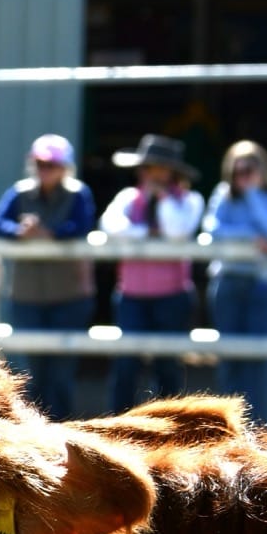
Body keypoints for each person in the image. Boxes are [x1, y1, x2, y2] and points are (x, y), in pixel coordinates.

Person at [0, 133, 96, 418]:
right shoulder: (20, 192)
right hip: (27, 295)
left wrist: (51, 234)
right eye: (40, 163)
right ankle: (32, 431)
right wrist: (19, 231)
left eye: (51, 164)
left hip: (67, 295)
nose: (44, 169)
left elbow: (82, 224)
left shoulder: (78, 194)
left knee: (60, 375)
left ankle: (61, 430)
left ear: (64, 167)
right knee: (29, 374)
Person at [99, 133, 206, 412]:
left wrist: (162, 198)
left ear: (172, 172)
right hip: (131, 295)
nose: (153, 173)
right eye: (148, 167)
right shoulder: (127, 198)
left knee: (168, 368)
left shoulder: (189, 200)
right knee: (125, 368)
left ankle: (168, 428)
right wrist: (146, 232)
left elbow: (176, 233)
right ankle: (119, 426)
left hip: (172, 296)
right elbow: (111, 226)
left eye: (159, 167)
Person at [202, 140, 267, 423]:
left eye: (249, 169)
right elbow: (212, 230)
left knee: (261, 362)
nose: (242, 176)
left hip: (262, 283)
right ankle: (231, 432)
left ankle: (263, 432)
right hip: (227, 282)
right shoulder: (222, 194)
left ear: (263, 168)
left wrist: (253, 194)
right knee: (229, 361)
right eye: (237, 171)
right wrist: (251, 239)